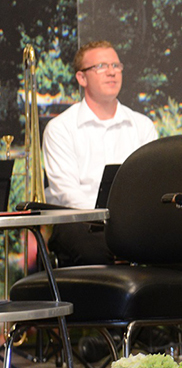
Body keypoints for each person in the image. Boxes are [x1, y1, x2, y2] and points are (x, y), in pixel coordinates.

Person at [43, 40, 158, 267]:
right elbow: (66, 194)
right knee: (91, 246)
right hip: (80, 223)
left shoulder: (143, 126)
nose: (111, 72)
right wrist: (108, 219)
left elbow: (152, 185)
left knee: (174, 241)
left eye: (116, 66)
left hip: (135, 223)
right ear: (81, 78)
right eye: (101, 66)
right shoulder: (61, 128)